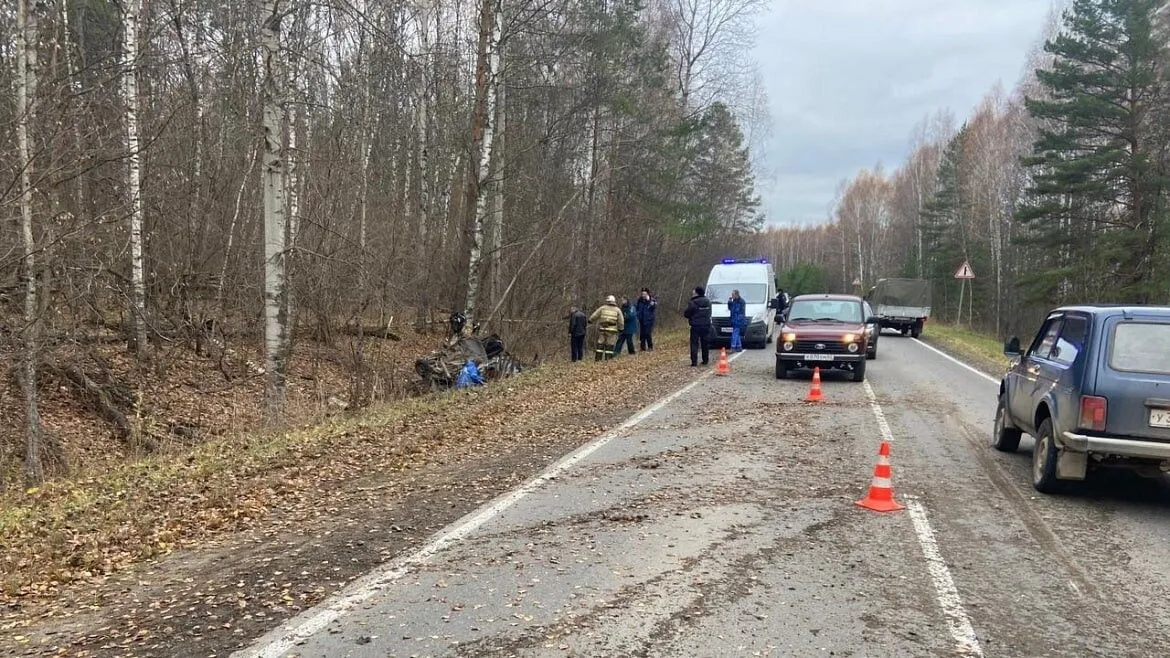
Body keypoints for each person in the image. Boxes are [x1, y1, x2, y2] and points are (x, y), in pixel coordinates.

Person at [683, 286, 712, 367]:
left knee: (694, 343)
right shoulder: (708, 302)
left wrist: (692, 317)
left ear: (697, 293)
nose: (692, 294)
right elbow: (709, 313)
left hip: (695, 326)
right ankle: (705, 360)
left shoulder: (693, 303)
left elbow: (687, 314)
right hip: (706, 325)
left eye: (693, 292)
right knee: (705, 343)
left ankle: (694, 362)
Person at [589, 295, 624, 360]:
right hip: (612, 331)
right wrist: (621, 328)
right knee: (610, 345)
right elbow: (621, 321)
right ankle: (608, 360)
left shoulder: (602, 308)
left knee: (600, 344)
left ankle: (598, 359)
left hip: (602, 329)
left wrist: (590, 320)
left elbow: (595, 315)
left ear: (607, 301)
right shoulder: (617, 310)